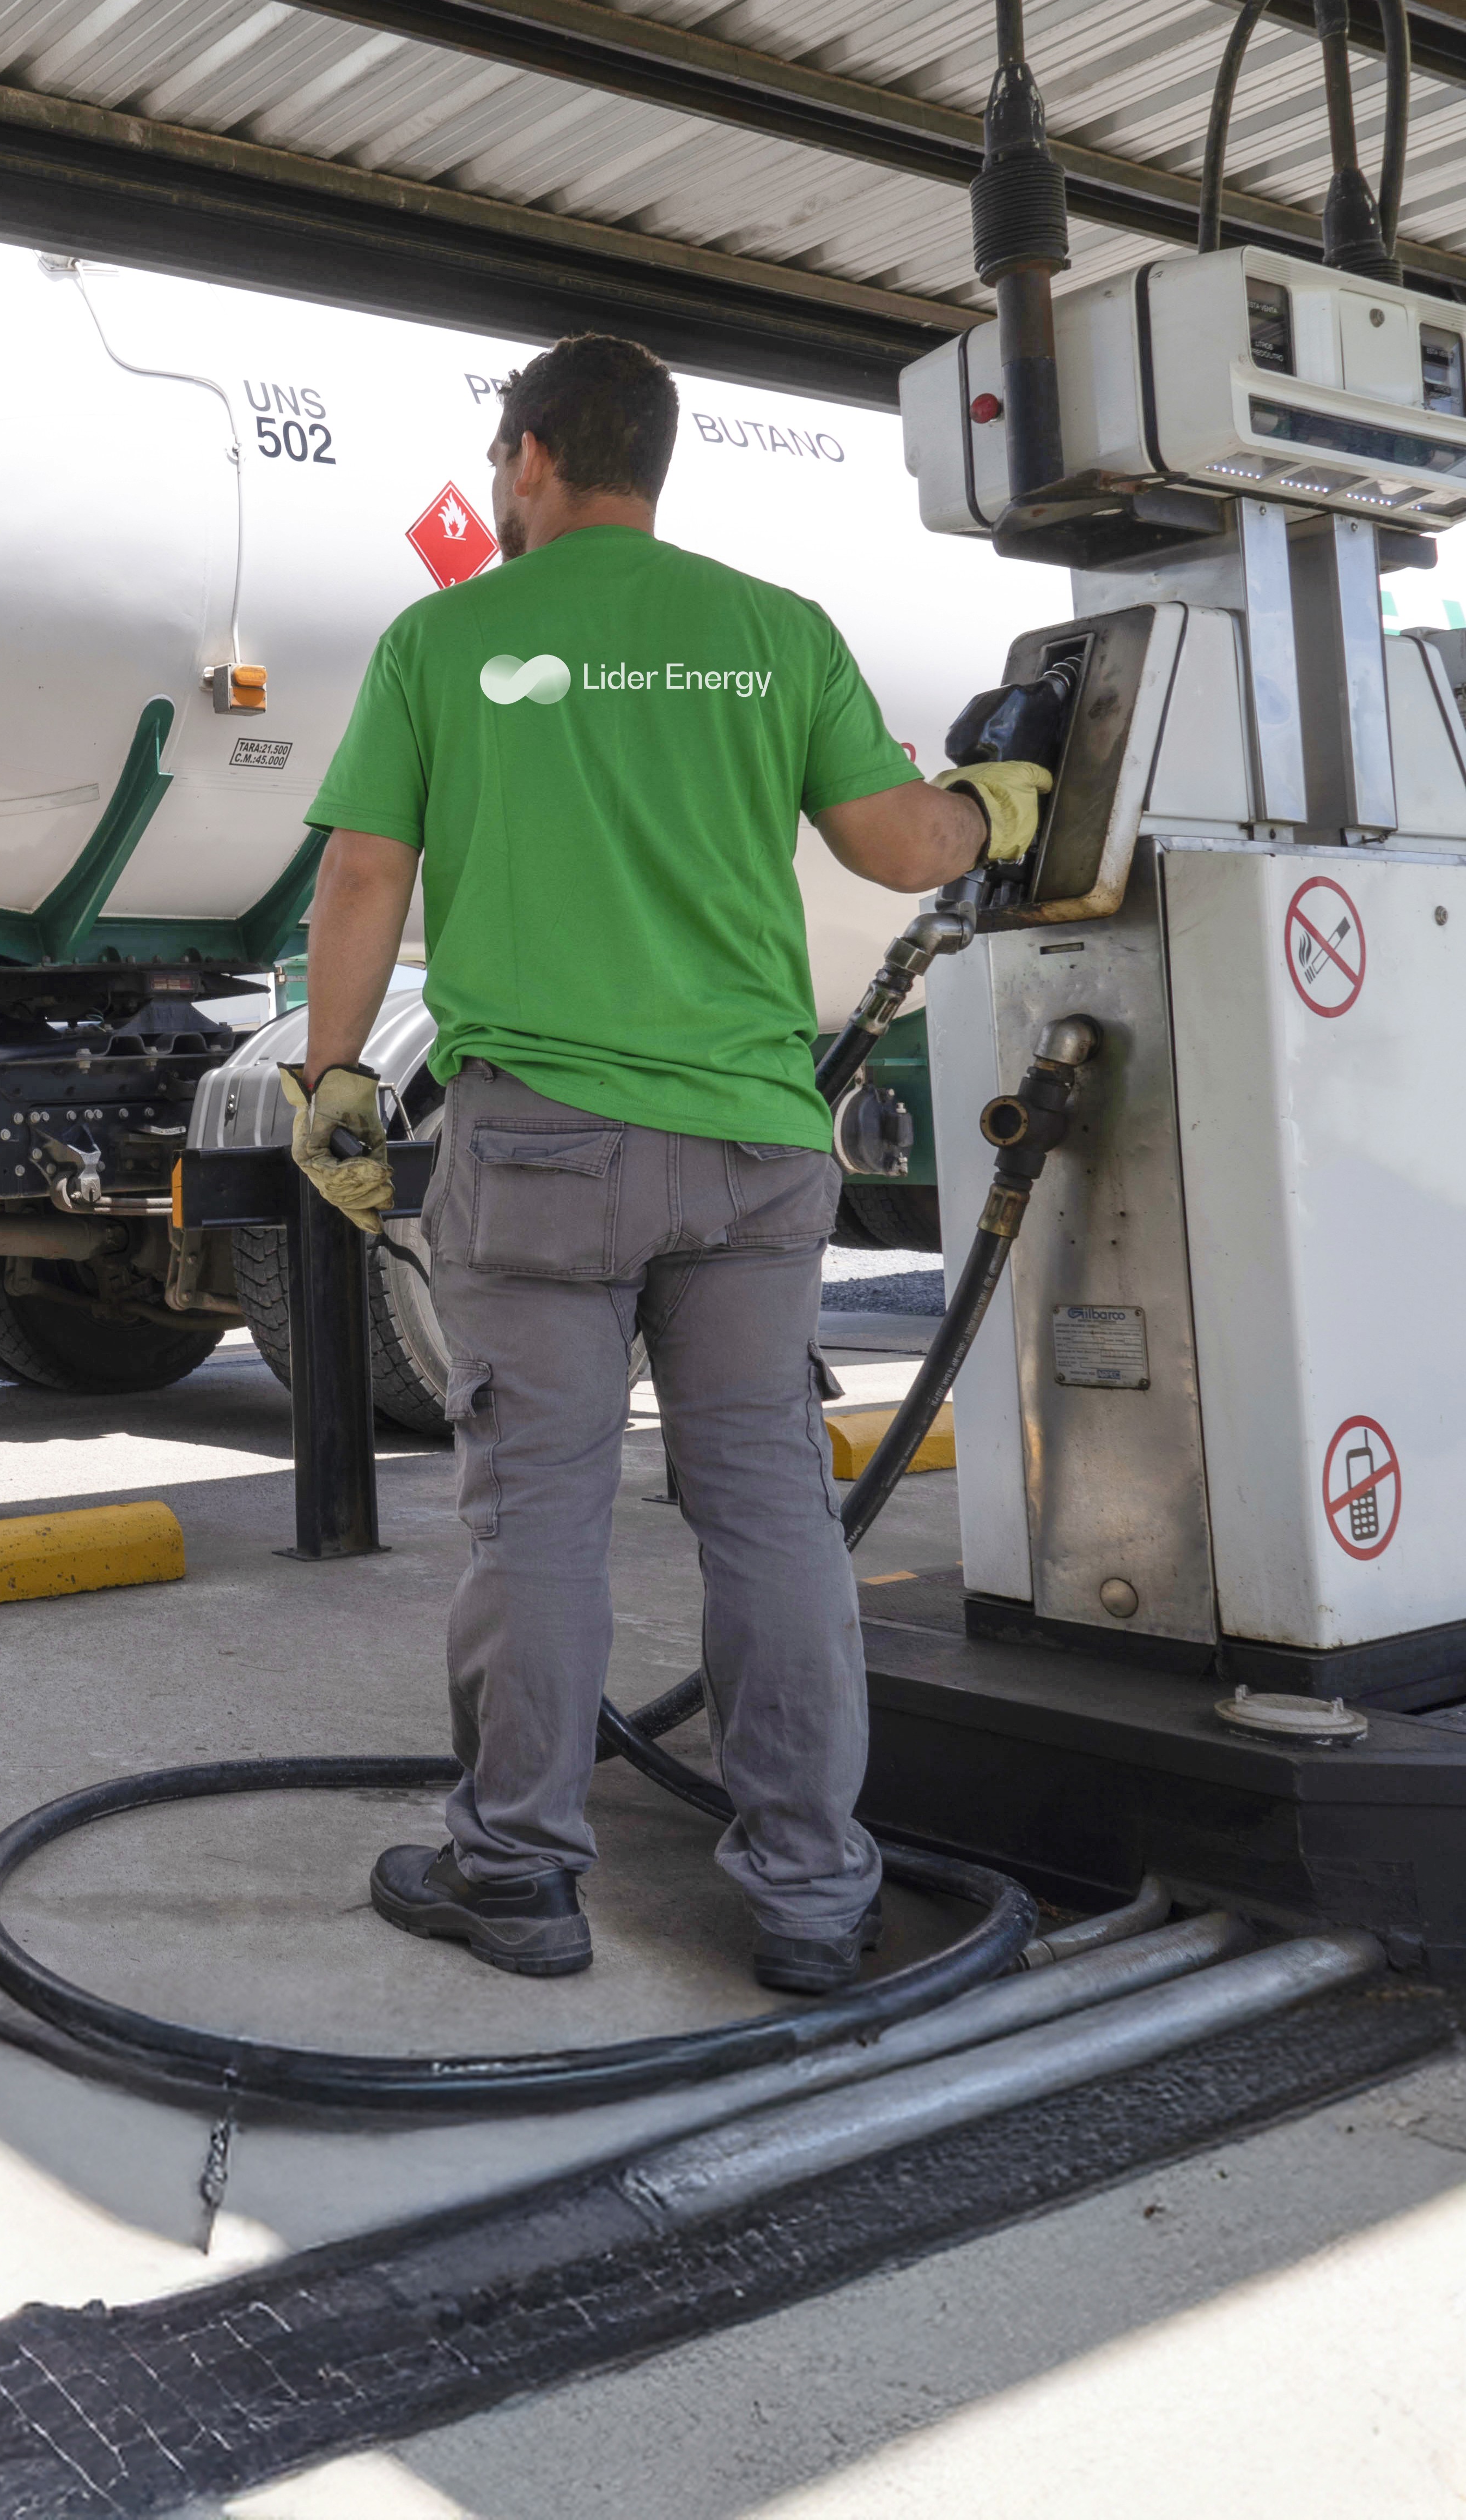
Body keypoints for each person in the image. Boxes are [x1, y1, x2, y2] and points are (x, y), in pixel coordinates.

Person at [288, 331, 1048, 1994]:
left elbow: (359, 878)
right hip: (755, 1142)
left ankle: (513, 1875)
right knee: (768, 1512)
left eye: (506, 460)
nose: (500, 487)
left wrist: (333, 1077)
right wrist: (995, 799)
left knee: (536, 1514)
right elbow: (902, 844)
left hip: (541, 1141)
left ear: (537, 452)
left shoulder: (448, 637)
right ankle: (805, 1894)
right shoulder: (766, 630)